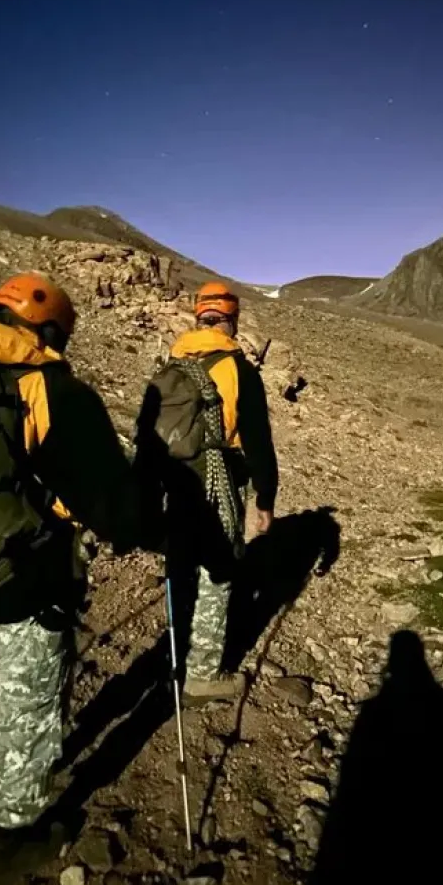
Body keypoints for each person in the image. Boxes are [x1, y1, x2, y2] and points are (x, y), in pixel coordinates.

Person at [0, 273, 142, 871]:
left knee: (20, 676)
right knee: (29, 696)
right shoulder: (58, 393)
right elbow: (113, 509)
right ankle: (10, 836)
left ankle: (28, 767)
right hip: (30, 570)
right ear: (54, 328)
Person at [135, 281, 279, 704]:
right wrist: (265, 500)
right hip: (219, 483)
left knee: (181, 565)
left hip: (172, 484)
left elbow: (148, 435)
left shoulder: (169, 366)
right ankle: (202, 673)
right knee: (218, 572)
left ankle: (175, 659)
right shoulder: (239, 371)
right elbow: (259, 445)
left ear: (199, 318)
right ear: (231, 321)